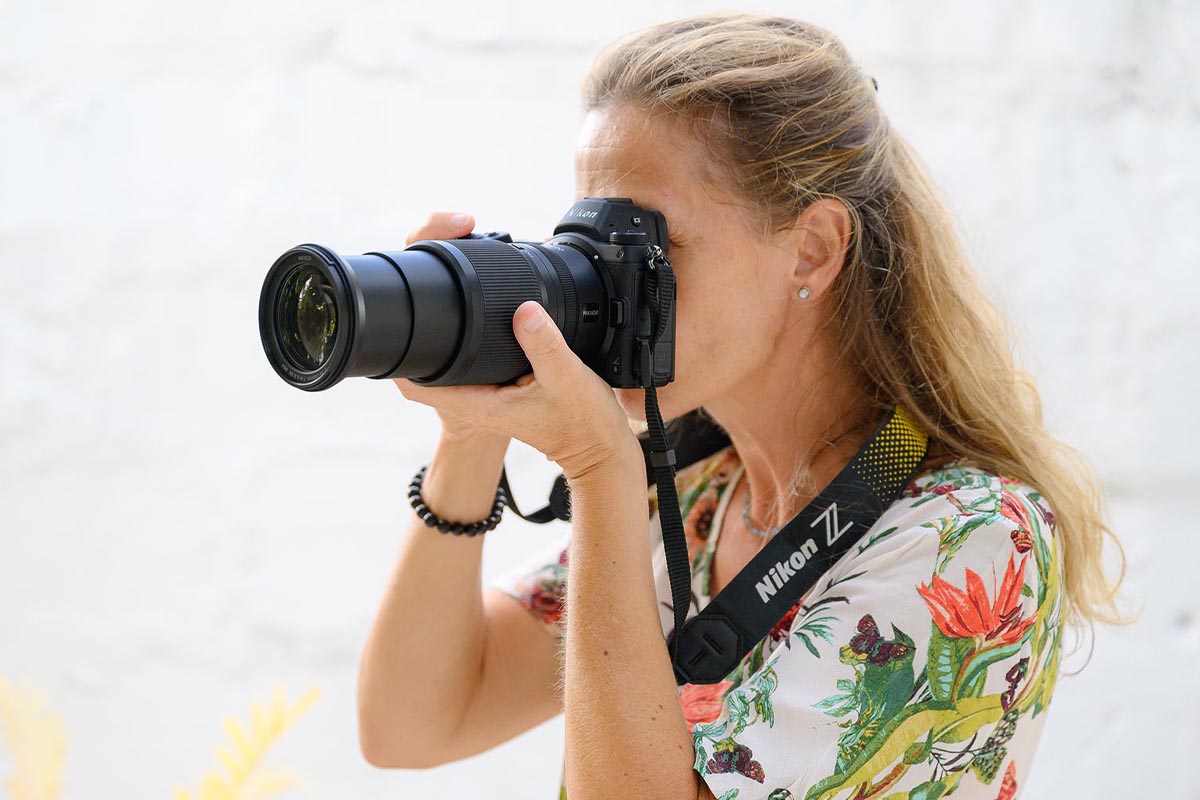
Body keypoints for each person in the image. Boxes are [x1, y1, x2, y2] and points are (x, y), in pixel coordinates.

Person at [357, 12, 1128, 800]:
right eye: (588, 243)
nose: (607, 286)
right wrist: (473, 427)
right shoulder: (693, 497)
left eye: (647, 247)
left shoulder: (970, 535)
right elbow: (412, 724)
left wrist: (599, 472)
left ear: (813, 249)